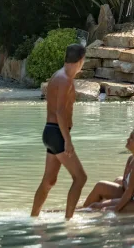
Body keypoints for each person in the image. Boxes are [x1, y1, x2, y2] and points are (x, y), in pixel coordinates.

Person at [31, 44, 87, 220]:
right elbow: (60, 112)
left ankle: (33, 217)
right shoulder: (65, 80)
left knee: (49, 181)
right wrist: (67, 140)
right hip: (57, 134)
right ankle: (69, 221)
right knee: (80, 178)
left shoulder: (58, 75)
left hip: (50, 132)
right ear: (81, 60)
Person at [82, 127, 134, 213]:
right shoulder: (132, 158)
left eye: (132, 138)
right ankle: (80, 210)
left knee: (103, 209)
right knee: (98, 195)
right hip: (133, 197)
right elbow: (126, 184)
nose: (128, 139)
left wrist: (115, 209)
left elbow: (130, 191)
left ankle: (81, 215)